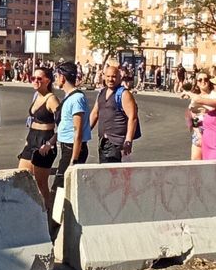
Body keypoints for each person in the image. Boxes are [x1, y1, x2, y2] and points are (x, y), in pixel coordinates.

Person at [17, 67, 59, 212]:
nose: (35, 81)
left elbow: (63, 125)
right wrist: (27, 140)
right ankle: (30, 211)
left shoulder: (51, 99)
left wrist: (50, 143)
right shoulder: (36, 96)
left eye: (39, 79)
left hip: (44, 141)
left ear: (48, 80)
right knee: (21, 178)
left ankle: (47, 216)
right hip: (31, 141)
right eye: (33, 78)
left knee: (41, 184)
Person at [50, 62, 91, 193]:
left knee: (58, 189)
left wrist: (74, 159)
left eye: (56, 76)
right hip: (66, 146)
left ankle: (57, 213)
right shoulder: (69, 97)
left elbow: (77, 130)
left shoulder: (77, 98)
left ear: (62, 77)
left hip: (72, 148)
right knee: (64, 188)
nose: (55, 79)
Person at [90, 66, 138, 163]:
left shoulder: (124, 94)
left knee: (114, 175)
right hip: (103, 142)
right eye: (108, 76)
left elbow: (132, 117)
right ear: (103, 77)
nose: (110, 79)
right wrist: (84, 132)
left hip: (117, 143)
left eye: (114, 77)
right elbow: (95, 113)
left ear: (120, 78)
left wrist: (128, 141)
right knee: (105, 173)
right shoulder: (101, 93)